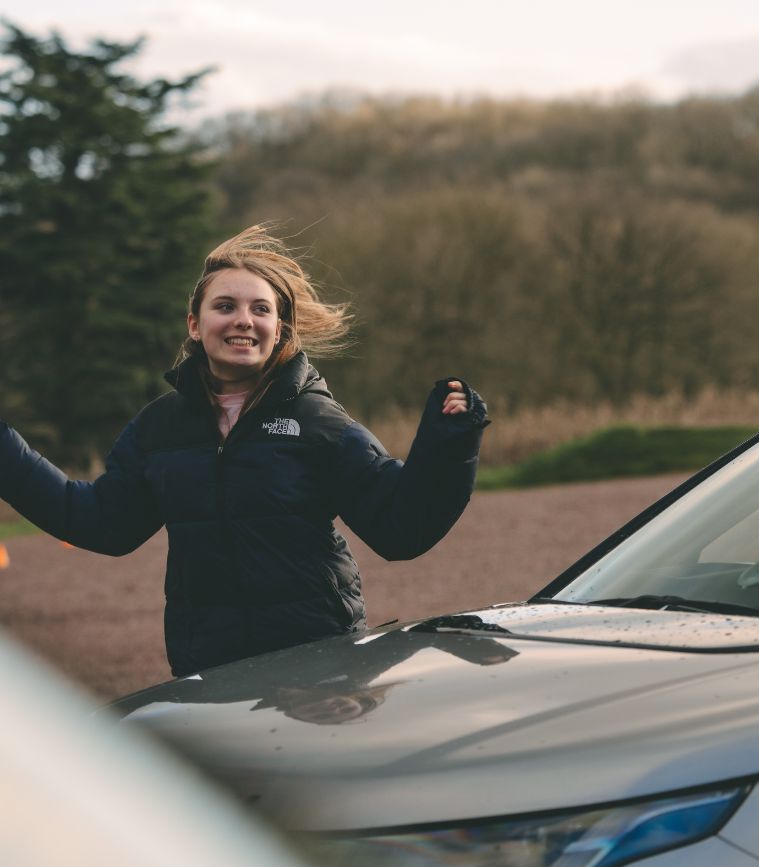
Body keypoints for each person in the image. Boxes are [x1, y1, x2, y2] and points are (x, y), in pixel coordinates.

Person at [0, 225, 490, 677]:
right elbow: (101, 522)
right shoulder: (159, 427)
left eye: (261, 309)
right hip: (208, 668)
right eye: (225, 306)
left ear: (279, 330)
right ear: (195, 324)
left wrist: (448, 443)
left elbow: (401, 529)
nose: (244, 320)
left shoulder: (318, 422)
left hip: (319, 667)